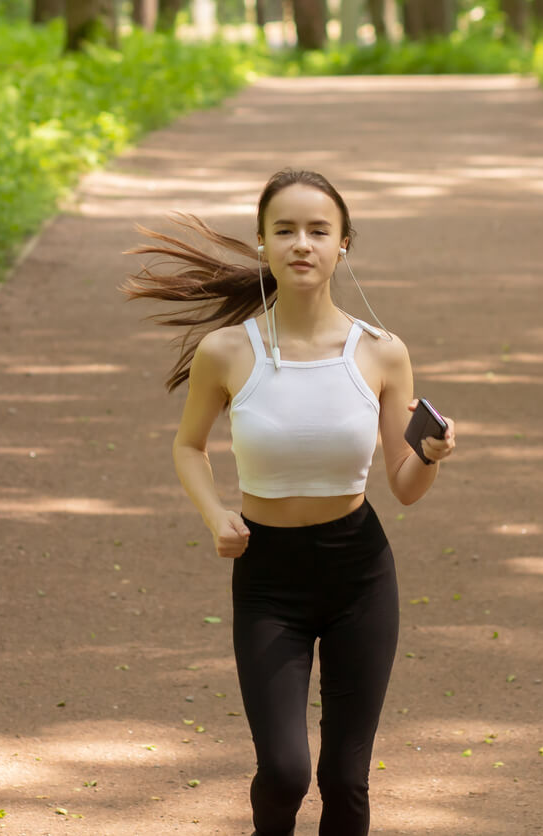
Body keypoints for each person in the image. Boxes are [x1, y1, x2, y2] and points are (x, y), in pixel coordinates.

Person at [123, 168, 457, 836]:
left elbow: (404, 486)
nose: (301, 243)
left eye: (317, 231)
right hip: (269, 577)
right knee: (283, 771)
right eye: (285, 231)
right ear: (262, 246)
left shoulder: (382, 353)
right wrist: (217, 513)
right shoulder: (228, 352)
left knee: (344, 779)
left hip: (359, 573)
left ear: (343, 247)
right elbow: (189, 446)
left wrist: (428, 455)